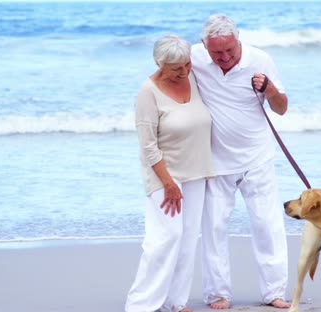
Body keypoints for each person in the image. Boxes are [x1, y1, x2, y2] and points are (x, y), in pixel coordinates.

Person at [190, 14, 291, 309]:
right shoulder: (195, 57)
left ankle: (274, 292)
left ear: (239, 41)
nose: (224, 57)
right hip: (214, 160)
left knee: (266, 225)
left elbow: (282, 108)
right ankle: (217, 294)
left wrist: (270, 89)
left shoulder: (260, 60)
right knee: (214, 228)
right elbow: (167, 71)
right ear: (204, 46)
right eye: (216, 52)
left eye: (229, 51)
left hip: (256, 157)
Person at [125, 34, 213, 312]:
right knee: (164, 238)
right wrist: (168, 183)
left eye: (187, 65)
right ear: (159, 64)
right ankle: (140, 304)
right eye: (176, 68)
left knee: (187, 238)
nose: (184, 72)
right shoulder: (147, 92)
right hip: (165, 176)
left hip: (197, 172)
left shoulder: (194, 77)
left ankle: (175, 302)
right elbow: (148, 146)